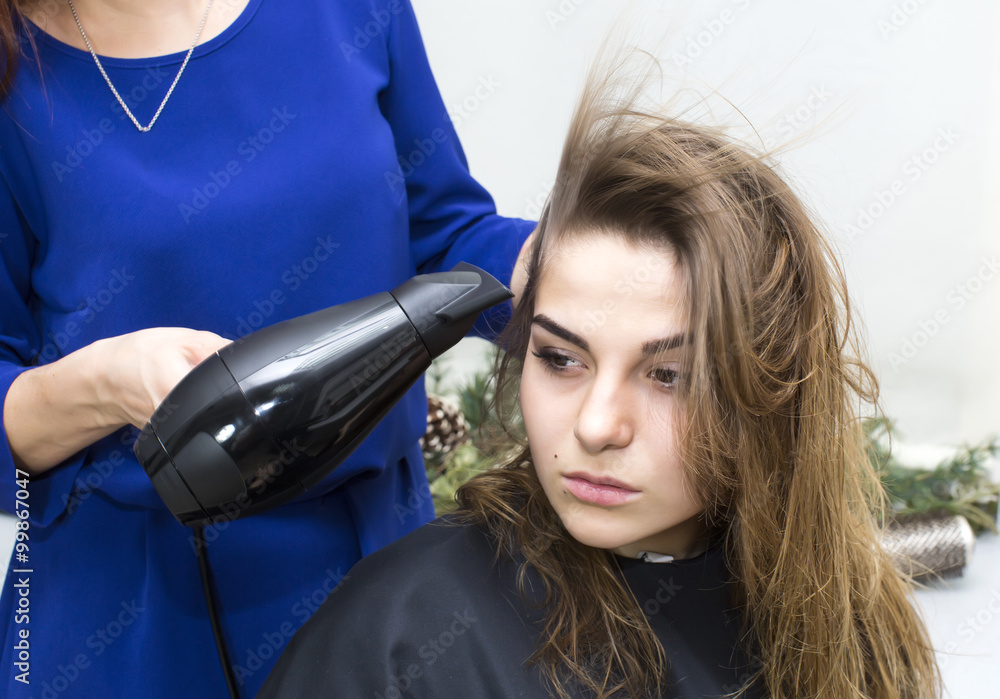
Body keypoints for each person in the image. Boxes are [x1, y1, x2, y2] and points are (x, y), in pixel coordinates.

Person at [259, 61, 943, 699]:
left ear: (771, 389)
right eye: (560, 358)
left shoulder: (852, 625)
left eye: (668, 375)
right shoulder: (402, 641)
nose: (595, 424)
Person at [0, 0, 533, 697]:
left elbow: (449, 238)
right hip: (135, 623)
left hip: (379, 572)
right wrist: (105, 383)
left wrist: (562, 262)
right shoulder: (19, 81)